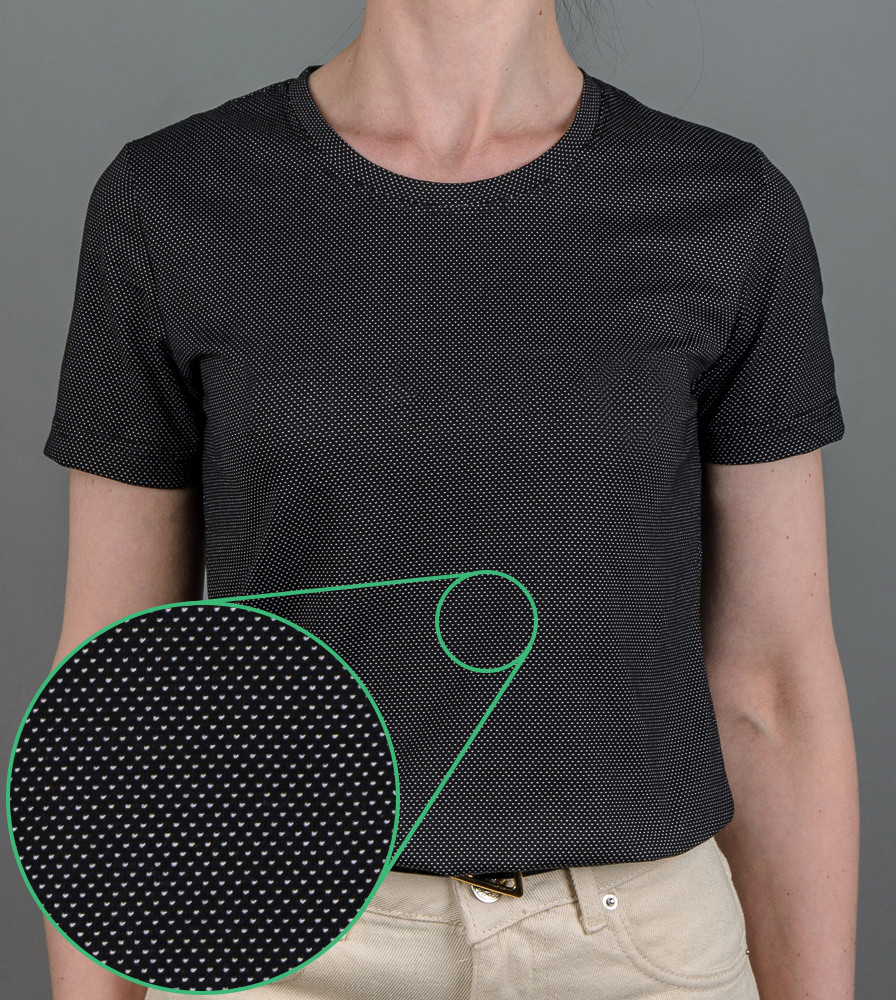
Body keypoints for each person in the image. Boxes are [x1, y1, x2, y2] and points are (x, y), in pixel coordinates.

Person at [41, 1, 859, 998]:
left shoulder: (725, 209)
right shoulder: (171, 199)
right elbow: (113, 682)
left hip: (636, 957)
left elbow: (772, 691)